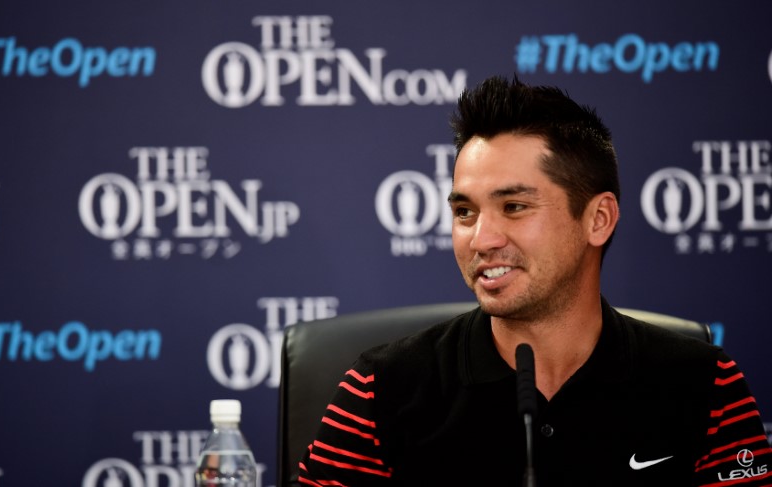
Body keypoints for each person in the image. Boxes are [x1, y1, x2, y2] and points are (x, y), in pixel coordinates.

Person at [296, 76, 771, 486]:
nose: (481, 239)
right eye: (465, 212)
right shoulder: (379, 388)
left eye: (514, 207)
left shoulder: (705, 385)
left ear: (598, 219)